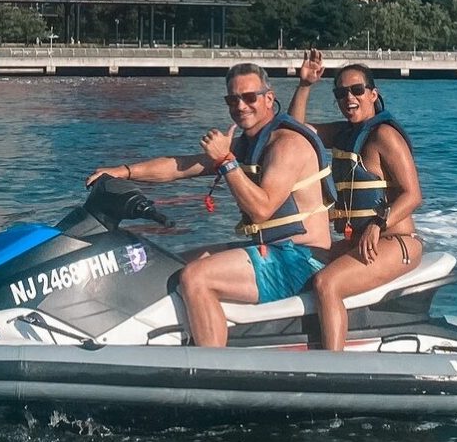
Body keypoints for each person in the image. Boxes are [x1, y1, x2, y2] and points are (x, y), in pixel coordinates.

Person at [85, 60, 335, 346]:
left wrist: (226, 161)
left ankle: (213, 369)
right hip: (272, 250)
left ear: (269, 98)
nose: (241, 106)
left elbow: (262, 210)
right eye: (233, 99)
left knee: (196, 277)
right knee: (168, 263)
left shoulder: (286, 144)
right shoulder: (251, 142)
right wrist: (123, 171)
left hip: (302, 260)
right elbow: (181, 166)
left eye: (249, 97)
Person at [288, 49, 424, 351]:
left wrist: (377, 223)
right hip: (358, 240)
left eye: (357, 90)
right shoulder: (344, 133)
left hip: (396, 241)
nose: (349, 98)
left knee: (327, 283)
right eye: (341, 93)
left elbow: (413, 194)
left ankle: (333, 366)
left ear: (373, 94)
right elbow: (294, 133)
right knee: (298, 260)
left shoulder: (384, 135)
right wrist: (306, 85)